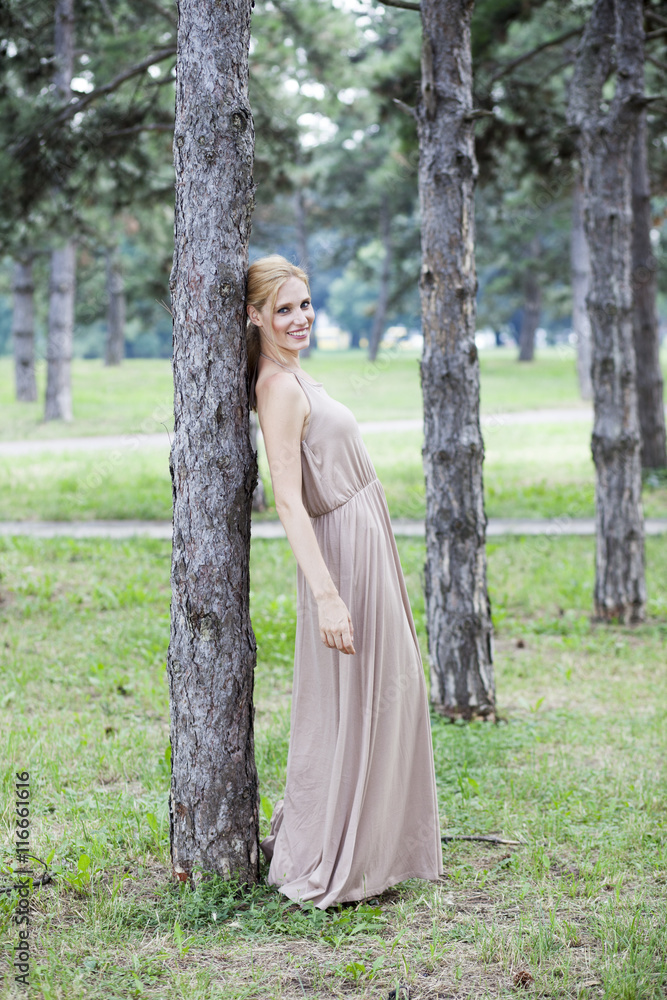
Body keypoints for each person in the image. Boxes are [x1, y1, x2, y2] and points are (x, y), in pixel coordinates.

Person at [247, 254, 443, 909]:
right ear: (254, 316)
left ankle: (375, 847)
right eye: (283, 309)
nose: (299, 318)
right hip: (340, 555)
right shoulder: (275, 387)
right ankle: (335, 851)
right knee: (357, 698)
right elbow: (286, 500)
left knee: (390, 690)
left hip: (365, 540)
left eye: (303, 304)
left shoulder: (293, 373)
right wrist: (328, 594)